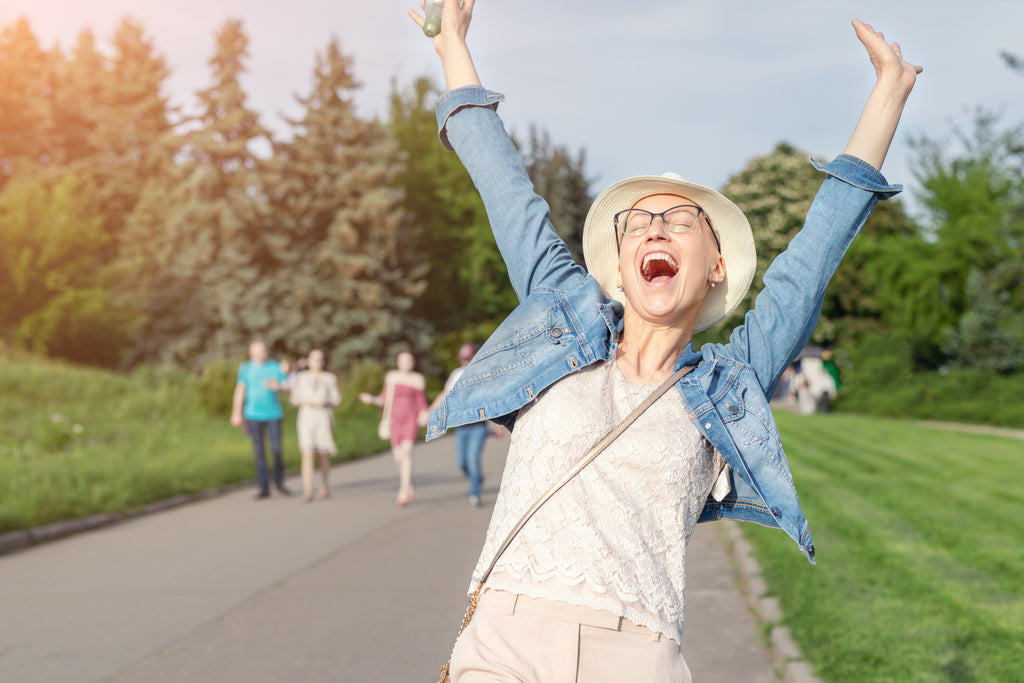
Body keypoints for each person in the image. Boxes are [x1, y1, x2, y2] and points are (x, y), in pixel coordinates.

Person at [410, 3, 920, 681]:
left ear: (715, 264)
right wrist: (453, 50)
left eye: (681, 220)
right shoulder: (560, 325)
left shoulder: (728, 382)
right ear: (619, 263)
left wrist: (888, 91)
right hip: (508, 643)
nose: (655, 227)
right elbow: (508, 192)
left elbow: (810, 260)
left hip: (638, 655)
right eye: (640, 220)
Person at [359, 351, 429, 507]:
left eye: (409, 360)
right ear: (398, 362)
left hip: (410, 419)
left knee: (406, 452)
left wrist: (424, 414)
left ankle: (403, 491)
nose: (406, 363)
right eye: (403, 360)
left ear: (413, 362)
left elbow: (421, 402)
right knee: (398, 458)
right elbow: (384, 399)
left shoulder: (418, 379)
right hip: (394, 421)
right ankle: (408, 482)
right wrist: (370, 399)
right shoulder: (391, 377)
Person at [430, 342, 490, 507]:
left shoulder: (482, 375)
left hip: (478, 426)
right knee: (462, 463)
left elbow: (491, 400)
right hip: (461, 426)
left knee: (472, 461)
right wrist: (430, 412)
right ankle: (477, 479)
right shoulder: (456, 374)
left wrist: (499, 426)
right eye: (463, 360)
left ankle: (474, 493)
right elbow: (445, 394)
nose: (465, 363)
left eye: (468, 359)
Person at [230, 339, 292, 499]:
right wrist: (236, 412)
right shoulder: (246, 368)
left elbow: (288, 388)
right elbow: (240, 390)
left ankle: (279, 483)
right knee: (259, 451)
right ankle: (264, 487)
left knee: (276, 449)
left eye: (261, 351)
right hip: (253, 415)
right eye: (255, 352)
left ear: (267, 351)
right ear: (251, 353)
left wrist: (277, 387)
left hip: (274, 415)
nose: (258, 354)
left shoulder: (274, 367)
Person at [290, 349, 341, 502]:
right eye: (313, 359)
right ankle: (307, 489)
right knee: (307, 452)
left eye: (320, 359)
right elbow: (294, 398)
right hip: (307, 415)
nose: (316, 362)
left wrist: (326, 401)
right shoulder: (301, 377)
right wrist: (308, 401)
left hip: (323, 416)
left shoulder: (330, 378)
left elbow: (337, 400)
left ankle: (324, 485)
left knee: (323, 453)